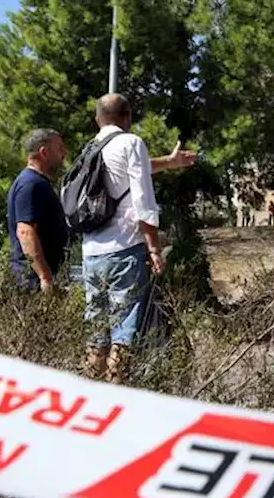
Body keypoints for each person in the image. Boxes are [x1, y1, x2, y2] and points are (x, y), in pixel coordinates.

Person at [81, 94, 196, 383]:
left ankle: (90, 398)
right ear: (128, 116)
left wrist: (168, 163)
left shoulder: (90, 149)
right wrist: (154, 248)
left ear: (98, 120)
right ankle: (116, 399)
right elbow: (144, 203)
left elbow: (129, 171)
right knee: (124, 334)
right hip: (124, 251)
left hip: (91, 253)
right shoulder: (132, 143)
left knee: (97, 334)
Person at [7, 128, 69, 293]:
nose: (64, 154)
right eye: (60, 148)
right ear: (44, 152)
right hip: (32, 282)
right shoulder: (31, 184)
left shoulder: (36, 183)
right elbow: (25, 231)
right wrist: (45, 276)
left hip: (35, 279)